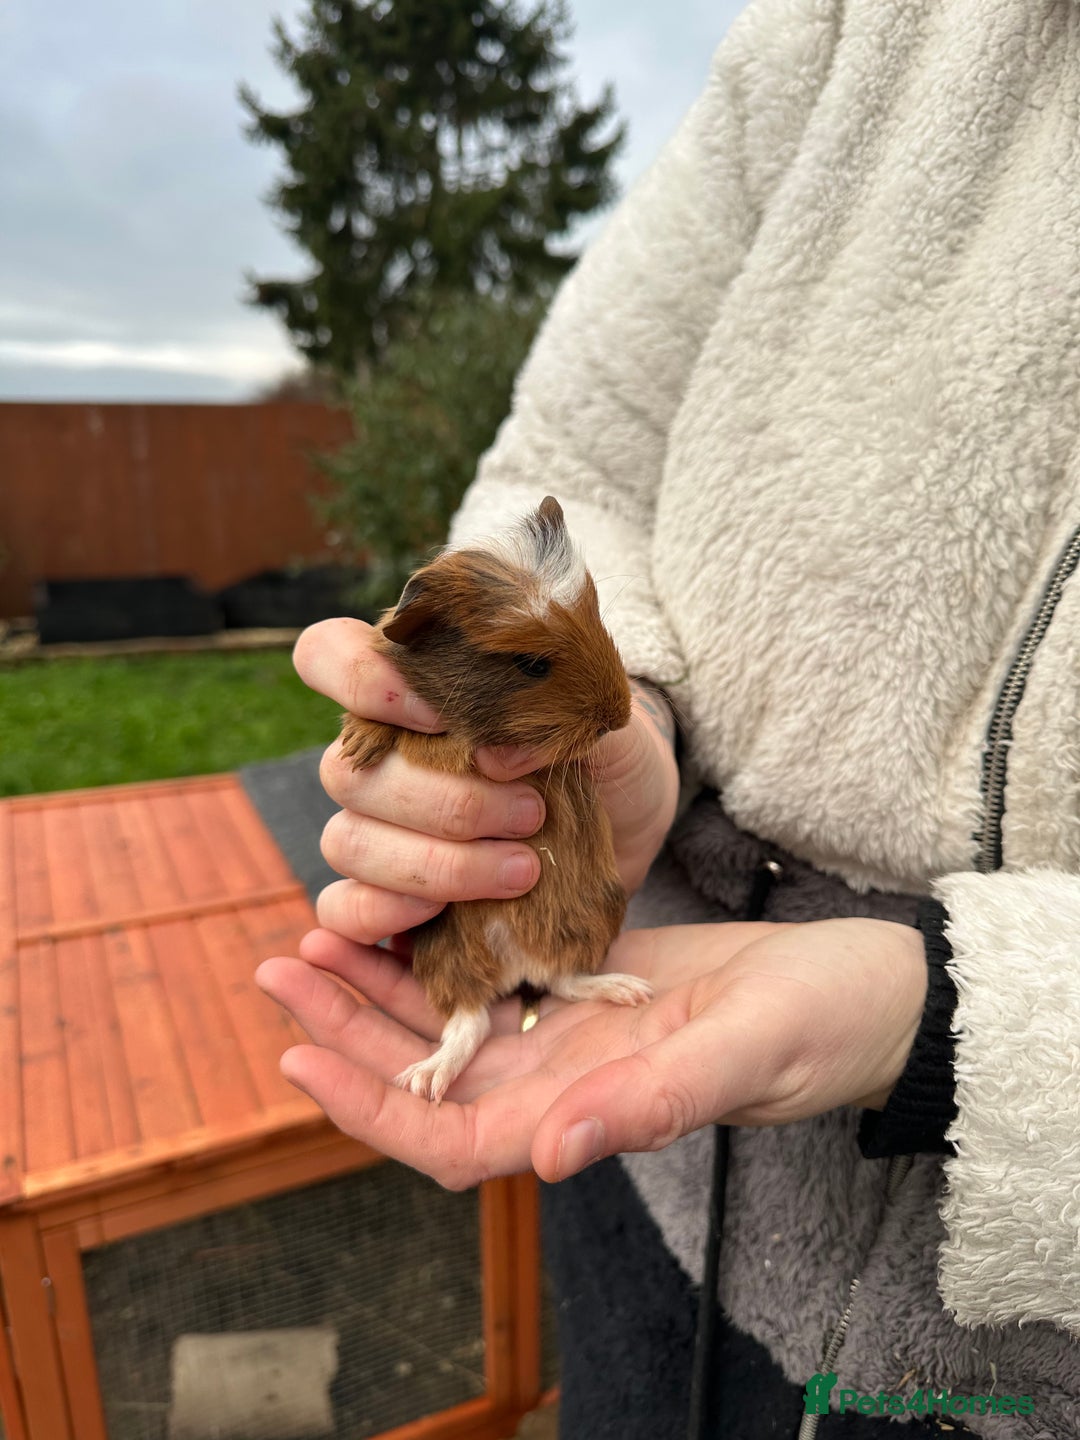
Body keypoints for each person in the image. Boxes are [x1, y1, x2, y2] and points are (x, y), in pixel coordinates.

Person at [255, 0, 1080, 1434]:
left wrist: (959, 1020)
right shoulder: (843, 24)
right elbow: (569, 463)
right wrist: (627, 712)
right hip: (650, 1180)